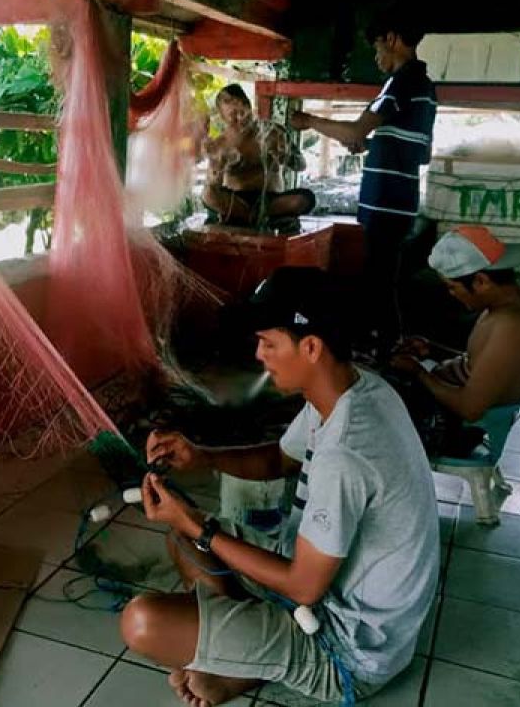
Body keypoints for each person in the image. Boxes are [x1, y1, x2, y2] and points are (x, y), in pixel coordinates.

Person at [119, 267, 440, 707]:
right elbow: (278, 459)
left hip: (348, 653)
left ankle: (242, 661)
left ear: (310, 347)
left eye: (269, 343)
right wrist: (203, 456)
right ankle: (241, 659)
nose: (259, 355)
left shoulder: (346, 453)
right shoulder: (357, 389)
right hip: (313, 586)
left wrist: (200, 526)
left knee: (142, 623)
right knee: (183, 543)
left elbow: (304, 588)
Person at [290, 8, 436, 351]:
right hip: (400, 197)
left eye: (376, 47)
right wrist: (373, 145)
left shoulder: (402, 81)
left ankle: (383, 348)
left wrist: (310, 120)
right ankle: (386, 344)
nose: (376, 57)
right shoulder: (425, 87)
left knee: (378, 281)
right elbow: (420, 152)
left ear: (393, 39)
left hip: (386, 198)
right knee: (383, 279)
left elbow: (355, 128)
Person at [389, 226, 520, 456]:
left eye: (452, 287)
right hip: (455, 403)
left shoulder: (514, 327)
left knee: (371, 399)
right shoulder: (509, 303)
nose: (451, 294)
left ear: (481, 281)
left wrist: (418, 372)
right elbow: (484, 363)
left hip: (458, 429)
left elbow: (469, 409)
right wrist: (431, 350)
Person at [202, 85, 315, 227]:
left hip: (272, 201)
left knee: (305, 199)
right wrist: (216, 169)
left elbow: (301, 165)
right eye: (233, 116)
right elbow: (212, 187)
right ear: (223, 117)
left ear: (249, 106)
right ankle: (252, 215)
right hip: (236, 201)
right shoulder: (220, 144)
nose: (240, 118)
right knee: (208, 195)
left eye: (242, 112)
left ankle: (254, 216)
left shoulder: (274, 132)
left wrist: (285, 156)